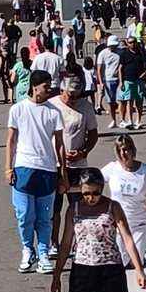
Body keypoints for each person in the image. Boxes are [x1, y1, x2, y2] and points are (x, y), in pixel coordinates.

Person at [50, 168, 146, 292]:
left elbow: (127, 239)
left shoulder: (113, 207)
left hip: (109, 268)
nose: (90, 198)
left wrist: (140, 271)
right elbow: (66, 243)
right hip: (83, 267)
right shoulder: (74, 209)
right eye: (86, 193)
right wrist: (57, 275)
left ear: (102, 188)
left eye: (95, 193)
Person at [5, 70, 68, 274]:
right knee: (24, 215)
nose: (49, 89)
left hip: (47, 168)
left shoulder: (53, 112)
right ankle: (27, 249)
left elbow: (59, 144)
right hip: (23, 167)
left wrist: (63, 173)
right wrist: (8, 168)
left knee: (44, 216)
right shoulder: (18, 109)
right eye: (45, 86)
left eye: (50, 86)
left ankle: (43, 253)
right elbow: (11, 141)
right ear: (34, 86)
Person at [48, 76, 99, 256]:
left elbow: (93, 134)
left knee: (78, 206)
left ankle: (79, 242)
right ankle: (53, 243)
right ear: (62, 91)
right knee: (54, 208)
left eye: (78, 95)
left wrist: (83, 152)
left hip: (78, 165)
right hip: (53, 164)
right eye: (71, 95)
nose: (75, 99)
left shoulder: (85, 107)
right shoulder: (51, 105)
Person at [101, 135, 146, 267]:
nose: (122, 154)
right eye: (119, 150)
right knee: (121, 263)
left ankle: (141, 258)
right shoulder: (112, 168)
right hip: (118, 222)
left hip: (138, 223)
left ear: (132, 150)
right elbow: (93, 183)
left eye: (125, 150)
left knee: (135, 263)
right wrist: (70, 188)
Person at [118, 36, 146, 130]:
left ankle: (138, 120)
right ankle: (129, 120)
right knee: (129, 100)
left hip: (139, 80)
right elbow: (120, 68)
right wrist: (121, 82)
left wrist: (145, 73)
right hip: (128, 80)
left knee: (139, 100)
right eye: (130, 42)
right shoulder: (124, 54)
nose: (132, 44)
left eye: (134, 42)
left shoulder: (142, 52)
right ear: (127, 43)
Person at [97, 35, 121, 129]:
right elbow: (99, 68)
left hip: (118, 79)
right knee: (110, 101)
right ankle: (113, 120)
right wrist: (101, 82)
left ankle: (122, 119)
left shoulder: (120, 53)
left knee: (121, 101)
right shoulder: (102, 54)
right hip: (108, 80)